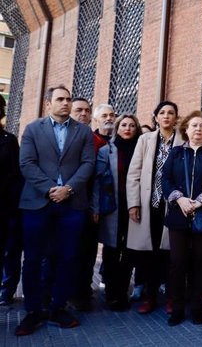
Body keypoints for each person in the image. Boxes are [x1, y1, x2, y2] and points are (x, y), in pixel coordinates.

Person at [15, 85, 95, 336]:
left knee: (67, 257)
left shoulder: (82, 131)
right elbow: (26, 163)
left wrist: (68, 189)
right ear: (48, 103)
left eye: (68, 99)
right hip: (38, 203)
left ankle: (58, 307)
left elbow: (88, 163)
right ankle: (32, 310)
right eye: (60, 99)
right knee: (33, 259)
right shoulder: (32, 129)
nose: (65, 103)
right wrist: (51, 189)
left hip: (72, 205)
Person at [162, 111, 202, 326]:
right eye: (194, 126)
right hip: (179, 214)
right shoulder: (176, 153)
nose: (198, 129)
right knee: (177, 262)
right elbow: (166, 179)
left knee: (201, 261)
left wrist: (200, 201)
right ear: (186, 130)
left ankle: (197, 307)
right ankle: (178, 308)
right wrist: (179, 199)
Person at [126, 101, 183, 315]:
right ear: (156, 117)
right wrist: (133, 203)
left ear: (176, 117)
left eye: (171, 113)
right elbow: (133, 174)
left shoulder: (183, 139)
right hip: (149, 204)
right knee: (149, 256)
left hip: (174, 205)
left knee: (172, 255)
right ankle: (150, 298)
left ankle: (171, 298)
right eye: (162, 113)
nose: (166, 116)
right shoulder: (145, 139)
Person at [93, 114, 142, 311]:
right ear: (117, 128)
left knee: (130, 250)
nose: (128, 128)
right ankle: (111, 294)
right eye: (124, 125)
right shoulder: (107, 151)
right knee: (112, 250)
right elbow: (97, 180)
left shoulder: (141, 150)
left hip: (136, 206)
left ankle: (123, 292)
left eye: (132, 125)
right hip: (113, 206)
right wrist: (95, 208)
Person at [71, 101, 114, 311]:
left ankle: (82, 292)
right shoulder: (91, 140)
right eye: (79, 110)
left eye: (86, 111)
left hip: (93, 204)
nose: (83, 114)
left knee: (87, 251)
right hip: (68, 202)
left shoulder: (104, 143)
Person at [0, 95, 23, 306]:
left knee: (10, 252)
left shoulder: (9, 140)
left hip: (7, 207)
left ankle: (6, 290)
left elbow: (16, 175)